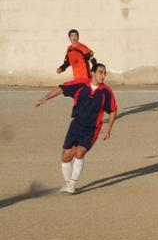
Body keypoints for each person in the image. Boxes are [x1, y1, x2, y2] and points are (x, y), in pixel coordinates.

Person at [35, 63, 117, 194]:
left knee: (80, 153)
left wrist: (109, 128)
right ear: (93, 73)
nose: (103, 76)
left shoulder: (106, 91)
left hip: (92, 129)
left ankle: (72, 185)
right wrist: (44, 99)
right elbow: (61, 89)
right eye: (100, 72)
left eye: (104, 73)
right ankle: (68, 184)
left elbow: (113, 110)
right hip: (76, 125)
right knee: (66, 157)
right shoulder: (81, 84)